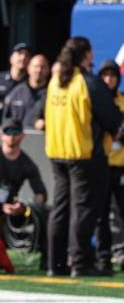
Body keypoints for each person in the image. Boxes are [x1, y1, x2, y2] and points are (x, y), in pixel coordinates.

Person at [45, 37, 121, 277]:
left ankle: (55, 264)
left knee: (60, 209)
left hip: (57, 153)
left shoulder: (56, 81)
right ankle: (80, 263)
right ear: (86, 55)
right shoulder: (88, 82)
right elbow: (112, 119)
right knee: (83, 210)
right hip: (83, 154)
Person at [0, 118, 48, 268]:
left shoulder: (27, 164)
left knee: (46, 213)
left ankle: (47, 260)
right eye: (8, 131)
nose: (11, 135)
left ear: (22, 135)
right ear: (1, 135)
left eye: (15, 132)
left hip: (6, 215)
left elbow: (41, 194)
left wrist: (24, 207)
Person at [96, 60, 124, 275]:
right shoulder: (95, 102)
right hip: (102, 165)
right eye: (105, 75)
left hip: (121, 165)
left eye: (113, 75)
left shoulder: (123, 101)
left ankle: (121, 253)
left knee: (121, 213)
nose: (109, 79)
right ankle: (103, 257)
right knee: (101, 214)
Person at [0, 43, 29, 124]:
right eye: (20, 54)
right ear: (11, 58)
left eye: (27, 55)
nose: (23, 57)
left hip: (22, 130)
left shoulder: (30, 83)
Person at [3, 53, 50, 128]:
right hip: (18, 137)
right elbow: (6, 119)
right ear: (28, 68)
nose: (39, 70)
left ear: (48, 70)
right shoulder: (17, 92)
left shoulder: (51, 93)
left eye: (43, 67)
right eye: (36, 66)